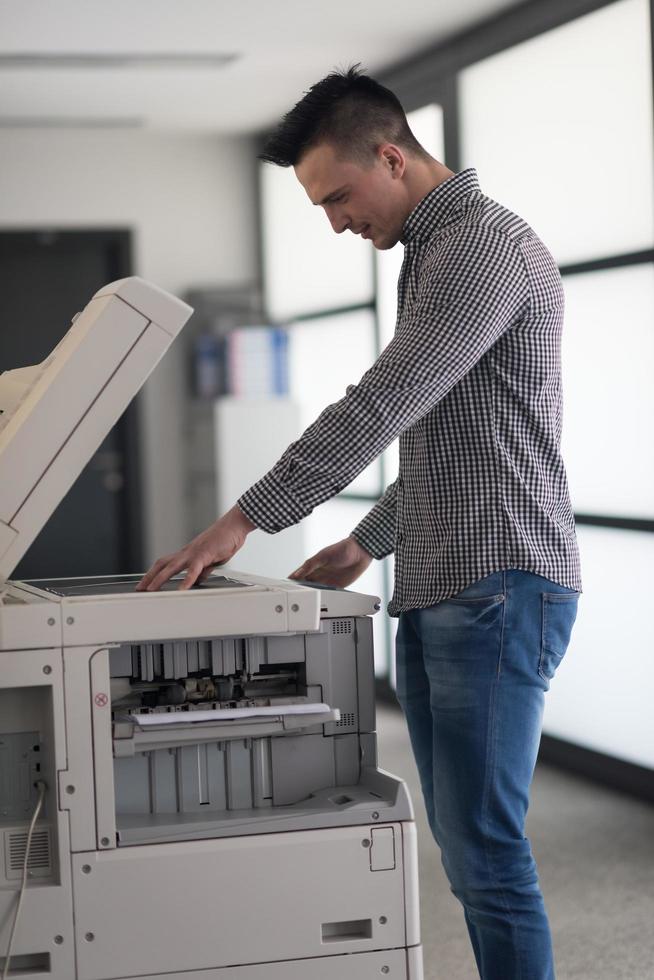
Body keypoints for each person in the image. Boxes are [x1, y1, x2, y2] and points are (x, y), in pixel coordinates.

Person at [138, 65, 581, 980]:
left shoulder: (483, 249)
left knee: (487, 851)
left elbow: (379, 406)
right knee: (464, 846)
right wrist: (366, 541)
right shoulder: (436, 248)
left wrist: (242, 521)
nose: (338, 221)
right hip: (451, 579)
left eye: (339, 197)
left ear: (391, 155)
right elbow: (461, 443)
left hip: (500, 587)